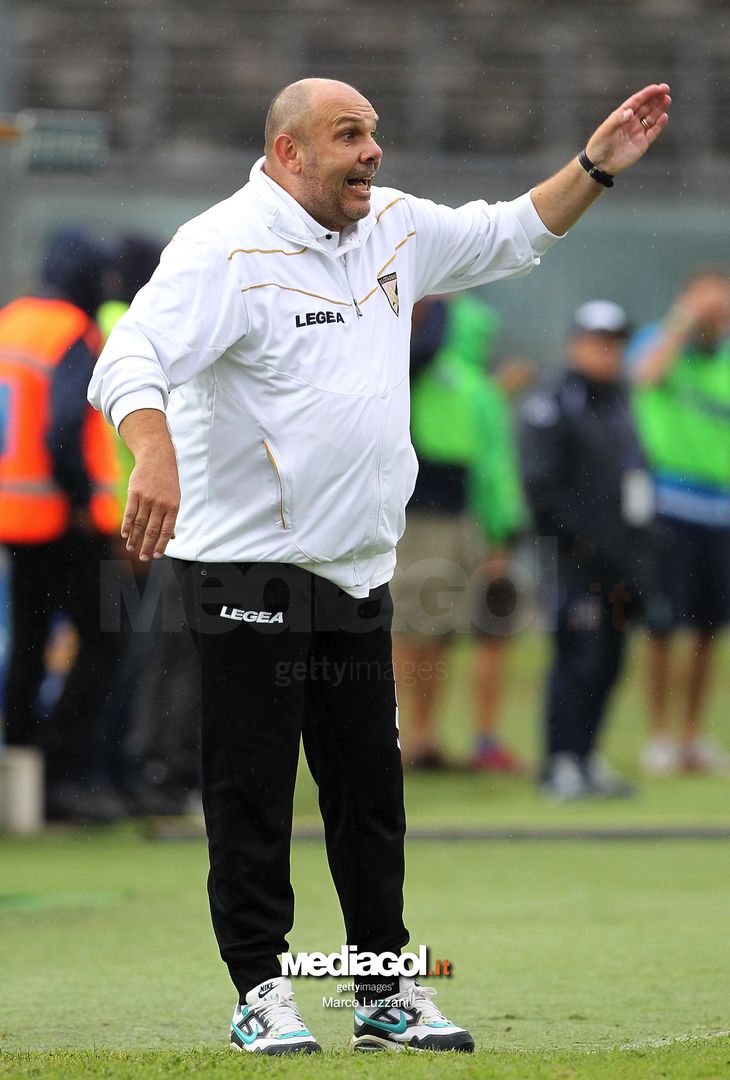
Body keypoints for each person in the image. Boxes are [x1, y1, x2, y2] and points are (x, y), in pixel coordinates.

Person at [88, 78, 670, 1053]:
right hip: (246, 564)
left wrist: (594, 166)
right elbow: (128, 359)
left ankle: (381, 992)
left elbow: (509, 232)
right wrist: (152, 452)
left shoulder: (390, 226)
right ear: (289, 153)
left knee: (369, 790)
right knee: (252, 788)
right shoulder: (222, 246)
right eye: (348, 135)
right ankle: (260, 992)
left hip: (357, 564)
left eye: (374, 134)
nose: (372, 152)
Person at [0, 227, 126, 821]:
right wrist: (79, 497)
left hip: (15, 516)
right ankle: (64, 773)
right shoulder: (71, 330)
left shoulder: (11, 321)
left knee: (28, 646)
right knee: (106, 638)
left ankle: (20, 777)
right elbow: (62, 426)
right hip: (63, 520)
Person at [520, 301, 657, 801]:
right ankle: (560, 762)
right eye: (599, 342)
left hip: (622, 560)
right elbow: (541, 485)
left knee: (609, 660)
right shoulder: (555, 402)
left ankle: (586, 755)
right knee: (578, 658)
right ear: (576, 343)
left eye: (615, 344)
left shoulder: (618, 400)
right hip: (575, 561)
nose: (607, 353)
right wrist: (579, 544)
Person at [391, 292, 529, 772]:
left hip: (452, 515)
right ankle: (417, 735)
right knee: (419, 630)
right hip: (434, 517)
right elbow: (494, 466)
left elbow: (491, 464)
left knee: (434, 630)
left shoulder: (454, 378)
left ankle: (421, 736)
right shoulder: (429, 367)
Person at [630, 270, 730, 775]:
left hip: (722, 512)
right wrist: (685, 319)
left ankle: (693, 735)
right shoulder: (660, 342)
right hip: (669, 507)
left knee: (709, 628)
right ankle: (661, 734)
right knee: (662, 625)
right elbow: (645, 376)